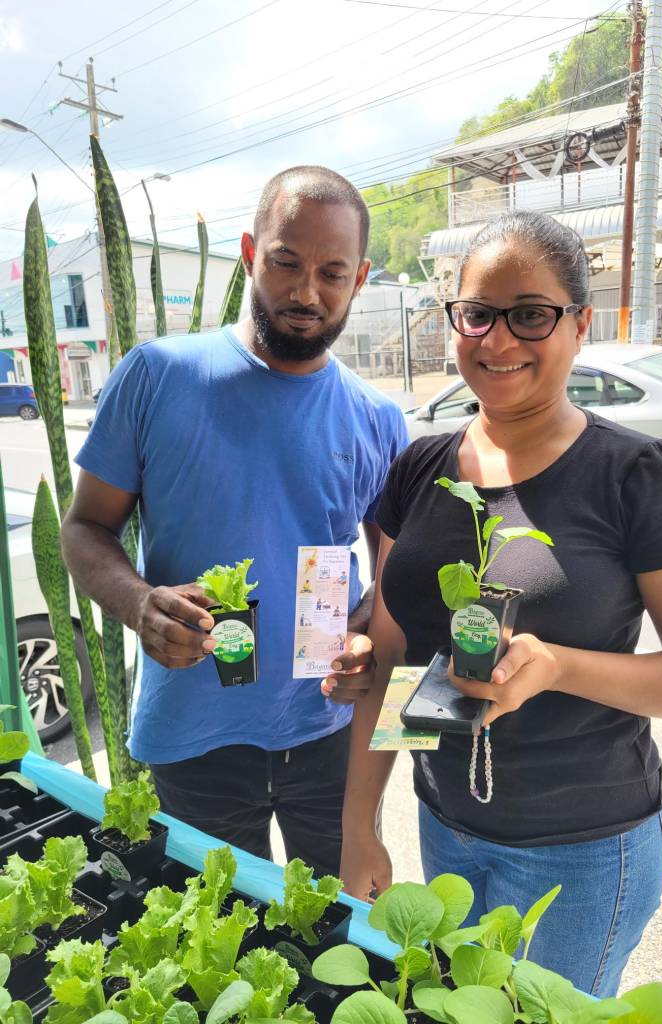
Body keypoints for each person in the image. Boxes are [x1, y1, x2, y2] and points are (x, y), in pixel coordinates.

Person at [335, 210, 662, 996]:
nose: (496, 343)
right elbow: (393, 664)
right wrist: (360, 828)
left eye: (530, 315)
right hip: (446, 825)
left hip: (584, 848)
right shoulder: (420, 468)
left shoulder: (639, 476)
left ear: (579, 325)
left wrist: (558, 666)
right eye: (477, 315)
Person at [61, 165, 409, 877]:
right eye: (286, 262)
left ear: (361, 278)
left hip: (330, 735)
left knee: (337, 945)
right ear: (251, 252)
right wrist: (138, 604)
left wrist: (363, 642)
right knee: (219, 950)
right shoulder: (158, 375)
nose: (307, 291)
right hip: (194, 740)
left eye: (332, 273)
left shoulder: (378, 419)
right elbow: (84, 529)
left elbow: (395, 585)